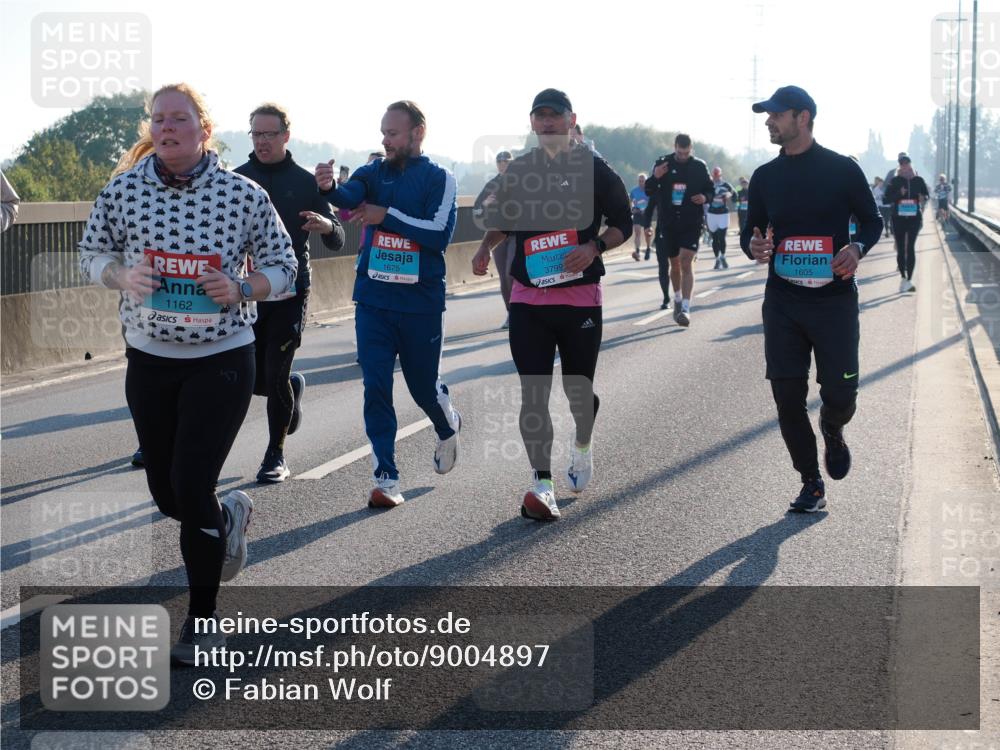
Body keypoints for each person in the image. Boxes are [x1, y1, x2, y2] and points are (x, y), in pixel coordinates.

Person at [78, 83, 298, 662]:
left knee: (192, 484)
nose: (167, 127)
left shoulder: (242, 193)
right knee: (167, 492)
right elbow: (91, 252)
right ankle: (227, 518)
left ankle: (202, 620)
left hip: (222, 356)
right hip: (149, 358)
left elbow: (285, 267)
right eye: (158, 119)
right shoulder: (124, 190)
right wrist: (120, 276)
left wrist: (243, 287)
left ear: (203, 128)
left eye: (179, 118)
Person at [471, 88, 631, 521]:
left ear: (571, 119)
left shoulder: (595, 170)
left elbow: (624, 223)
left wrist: (594, 247)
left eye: (554, 116)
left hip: (580, 300)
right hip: (528, 298)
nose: (546, 123)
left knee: (579, 392)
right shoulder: (520, 170)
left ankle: (582, 443)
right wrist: (486, 248)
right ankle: (541, 483)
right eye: (539, 117)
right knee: (534, 392)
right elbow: (504, 219)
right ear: (532, 123)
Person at [740, 85, 882, 513]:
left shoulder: (842, 170)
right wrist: (755, 245)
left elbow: (872, 222)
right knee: (787, 396)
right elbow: (754, 230)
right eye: (767, 115)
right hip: (783, 301)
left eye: (776, 115)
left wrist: (856, 248)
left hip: (834, 301)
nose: (769, 121)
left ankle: (833, 427)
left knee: (841, 391)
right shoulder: (765, 177)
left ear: (802, 118)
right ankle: (810, 481)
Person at [315, 101, 460, 508]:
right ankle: (386, 476)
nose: (385, 140)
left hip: (421, 304)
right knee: (376, 385)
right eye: (383, 133)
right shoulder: (372, 172)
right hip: (374, 300)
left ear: (418, 133)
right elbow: (348, 196)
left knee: (421, 388)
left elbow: (438, 235)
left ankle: (446, 424)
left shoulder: (439, 178)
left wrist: (387, 216)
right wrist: (327, 188)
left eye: (393, 133)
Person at [234, 103, 345, 483]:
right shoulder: (237, 181)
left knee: (275, 371)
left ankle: (275, 454)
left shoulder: (303, 182)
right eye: (256, 134)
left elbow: (338, 237)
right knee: (248, 377)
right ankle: (292, 392)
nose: (262, 141)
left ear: (285, 135)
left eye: (269, 134)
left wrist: (326, 225)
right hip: (247, 292)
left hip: (290, 292)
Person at [644, 133, 713, 325]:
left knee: (686, 261)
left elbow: (710, 189)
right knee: (674, 264)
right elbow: (649, 191)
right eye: (679, 152)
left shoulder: (699, 166)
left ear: (691, 149)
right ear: (674, 148)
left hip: (691, 222)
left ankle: (686, 308)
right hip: (669, 222)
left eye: (686, 153)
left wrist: (705, 197)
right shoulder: (663, 163)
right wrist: (655, 177)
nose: (683, 156)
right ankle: (676, 298)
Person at [473, 151, 516, 328]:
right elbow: (476, 208)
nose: (502, 164)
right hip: (496, 234)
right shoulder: (492, 184)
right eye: (499, 161)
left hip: (515, 233)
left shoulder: (519, 181)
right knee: (503, 278)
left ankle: (520, 312)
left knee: (510, 273)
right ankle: (510, 314)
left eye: (505, 161)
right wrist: (485, 204)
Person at [884, 155, 929, 293]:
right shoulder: (895, 181)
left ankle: (909, 279)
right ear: (899, 166)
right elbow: (886, 199)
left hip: (914, 218)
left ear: (910, 164)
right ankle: (903, 277)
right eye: (902, 164)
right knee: (901, 248)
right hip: (899, 219)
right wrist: (899, 193)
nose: (905, 166)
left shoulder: (919, 180)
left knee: (910, 247)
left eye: (907, 163)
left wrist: (923, 198)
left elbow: (926, 195)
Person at [706, 166, 736, 269]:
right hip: (711, 214)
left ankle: (723, 256)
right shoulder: (708, 185)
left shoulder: (726, 185)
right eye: (714, 176)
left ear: (720, 175)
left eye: (718, 176)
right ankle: (717, 259)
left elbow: (734, 195)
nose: (716, 178)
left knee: (721, 237)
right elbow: (703, 196)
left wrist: (729, 195)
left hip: (723, 214)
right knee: (714, 238)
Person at [629, 173, 653, 261]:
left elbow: (653, 202)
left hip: (647, 214)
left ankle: (648, 248)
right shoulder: (634, 191)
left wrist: (647, 209)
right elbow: (630, 201)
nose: (641, 183)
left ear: (646, 181)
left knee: (648, 233)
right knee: (637, 231)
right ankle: (637, 251)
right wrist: (632, 209)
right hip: (637, 213)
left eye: (643, 181)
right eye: (639, 181)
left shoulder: (649, 190)